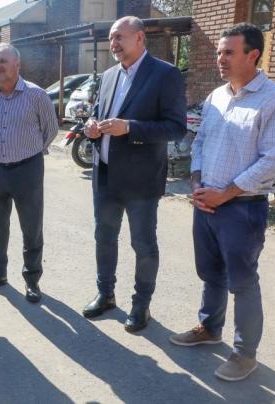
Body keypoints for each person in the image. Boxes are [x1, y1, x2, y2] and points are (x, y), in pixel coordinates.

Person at [169, 23, 275, 381]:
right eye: (219, 51)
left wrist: (226, 193)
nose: (219, 58)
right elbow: (200, 143)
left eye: (228, 52)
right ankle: (210, 328)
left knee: (242, 281)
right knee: (210, 272)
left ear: (252, 55)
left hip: (242, 207)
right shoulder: (216, 97)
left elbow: (273, 160)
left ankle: (245, 354)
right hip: (206, 201)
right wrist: (196, 182)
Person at [81, 16, 186, 332]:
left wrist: (131, 128)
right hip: (105, 175)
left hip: (141, 180)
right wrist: (91, 128)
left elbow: (176, 128)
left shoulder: (165, 75)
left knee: (143, 244)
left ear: (140, 38)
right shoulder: (110, 74)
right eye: (111, 38)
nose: (113, 43)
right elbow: (99, 114)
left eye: (118, 37)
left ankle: (141, 306)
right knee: (104, 237)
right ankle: (105, 294)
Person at [0, 43, 59, 303]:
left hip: (27, 169)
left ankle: (32, 280)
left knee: (31, 228)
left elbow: (51, 130)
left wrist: (30, 152)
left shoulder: (36, 95)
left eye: (3, 61)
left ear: (17, 65)